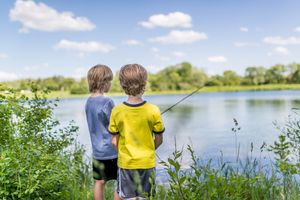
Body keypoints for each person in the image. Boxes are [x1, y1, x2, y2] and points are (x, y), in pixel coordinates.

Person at [109, 63, 165, 199]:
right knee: (146, 197)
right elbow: (159, 139)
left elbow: (114, 141)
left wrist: (124, 153)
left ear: (122, 85)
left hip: (126, 164)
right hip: (147, 162)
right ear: (144, 83)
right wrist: (150, 150)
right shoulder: (153, 110)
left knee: (126, 197)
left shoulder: (117, 111)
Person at [85, 64, 120, 200]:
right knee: (120, 182)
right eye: (110, 81)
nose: (110, 84)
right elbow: (115, 125)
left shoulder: (88, 101)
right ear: (104, 82)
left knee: (99, 182)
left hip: (97, 151)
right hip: (112, 150)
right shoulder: (107, 101)